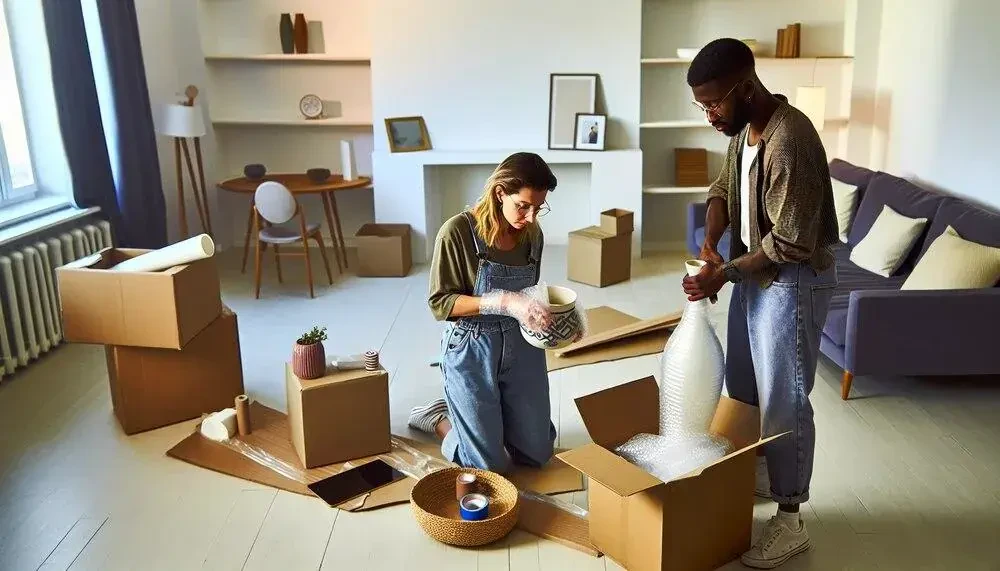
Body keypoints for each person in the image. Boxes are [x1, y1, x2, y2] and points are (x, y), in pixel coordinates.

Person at [681, 39, 838, 568]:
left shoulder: (789, 140)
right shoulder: (743, 132)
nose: (708, 115)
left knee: (784, 401)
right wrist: (711, 241)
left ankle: (791, 519)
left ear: (745, 87)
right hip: (753, 276)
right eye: (700, 105)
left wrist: (721, 274)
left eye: (713, 104)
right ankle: (771, 476)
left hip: (790, 283)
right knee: (744, 387)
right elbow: (723, 187)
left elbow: (790, 243)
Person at [408, 152, 560, 473]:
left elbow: (528, 293)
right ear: (500, 193)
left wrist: (553, 320)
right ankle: (440, 419)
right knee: (488, 465)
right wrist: (503, 302)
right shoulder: (457, 232)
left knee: (537, 453)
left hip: (521, 345)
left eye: (538, 207)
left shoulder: (532, 234)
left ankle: (494, 421)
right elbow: (441, 304)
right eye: (523, 206)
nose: (532, 217)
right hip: (471, 347)